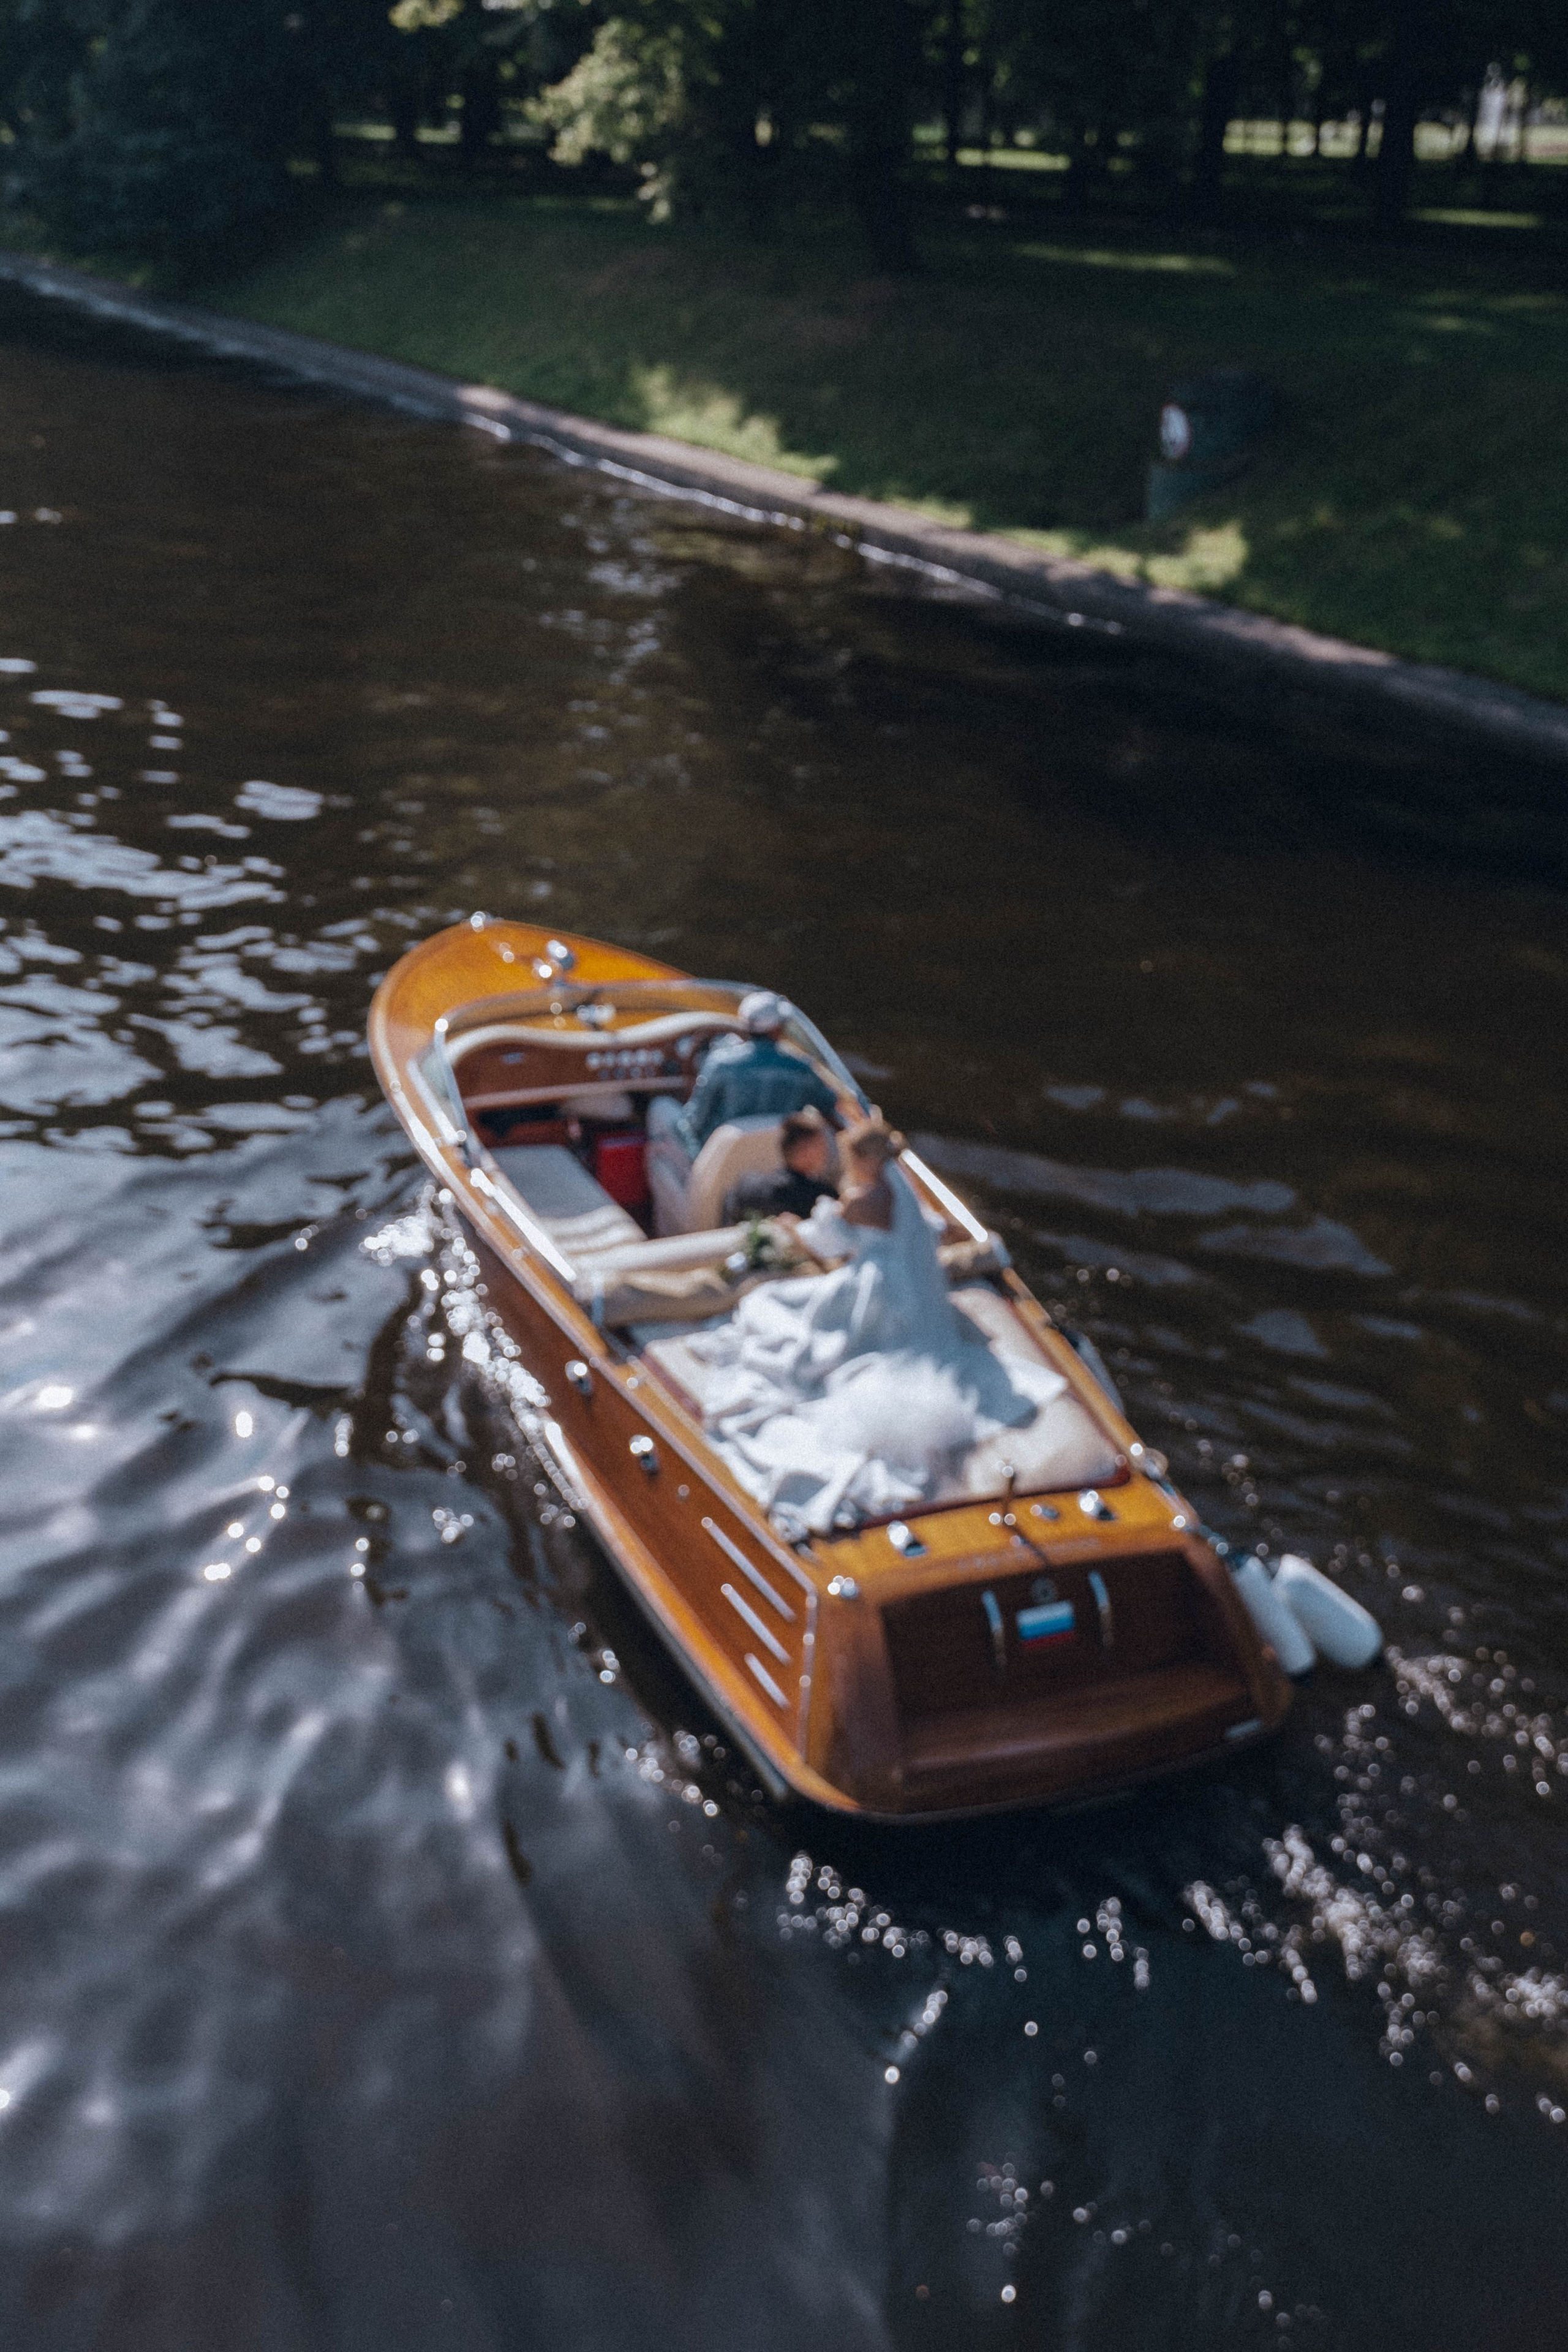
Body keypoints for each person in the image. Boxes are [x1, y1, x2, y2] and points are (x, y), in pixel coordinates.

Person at [688, 1117, 1066, 1534]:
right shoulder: (903, 1195)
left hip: (874, 1294)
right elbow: (932, 1230)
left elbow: (823, 1241)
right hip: (918, 1300)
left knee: (767, 1304)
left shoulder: (861, 1202)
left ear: (864, 1160)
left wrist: (792, 1228)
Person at [647, 990, 842, 1167]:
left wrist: (697, 1159)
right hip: (779, 1164)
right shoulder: (802, 1069)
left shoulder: (720, 1063)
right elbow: (830, 1106)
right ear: (778, 1029)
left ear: (745, 1027)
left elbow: (693, 1123)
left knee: (661, 1107)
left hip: (722, 1167)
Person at [722, 1106, 837, 1226]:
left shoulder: (746, 1186)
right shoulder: (821, 1198)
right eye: (821, 1145)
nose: (827, 1151)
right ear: (806, 1151)